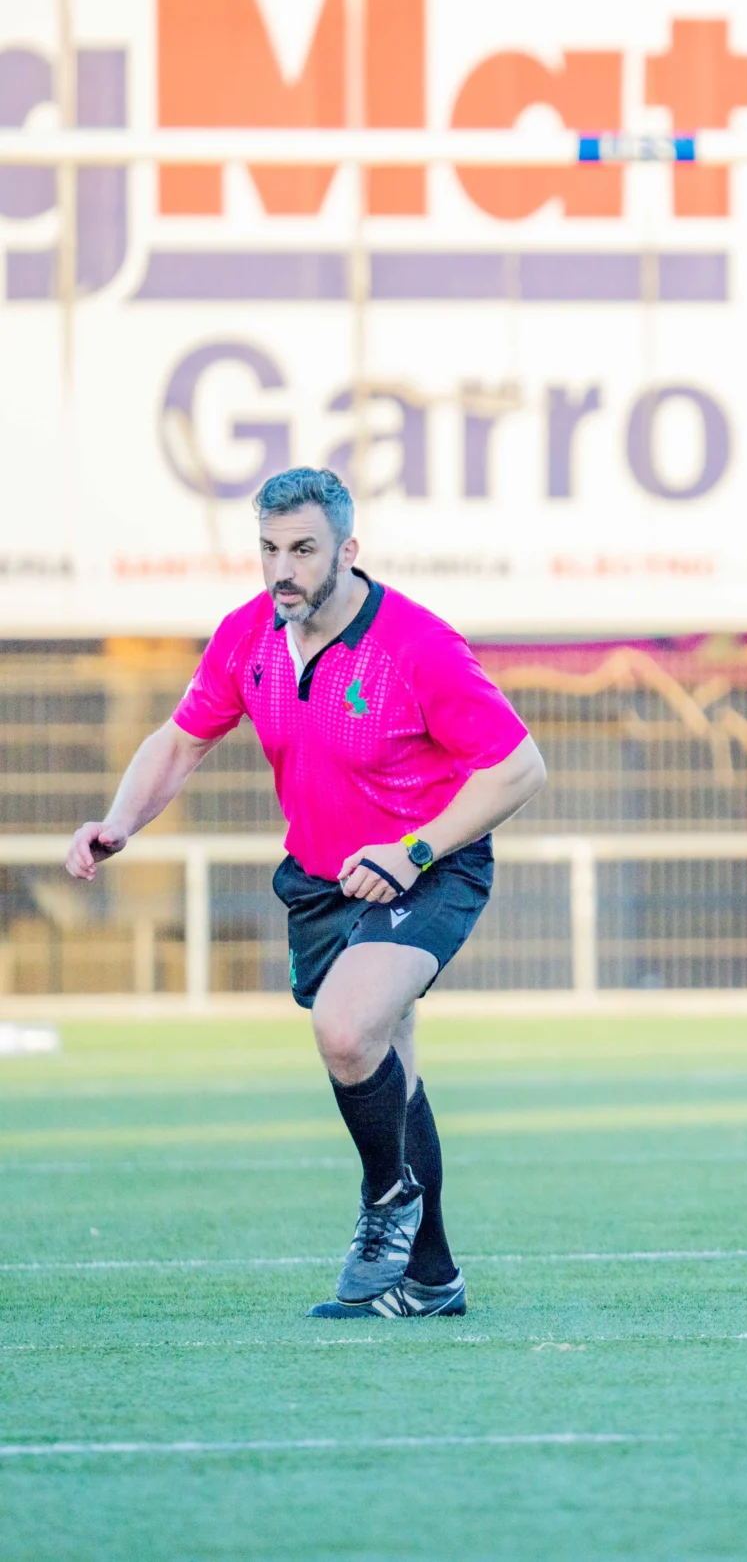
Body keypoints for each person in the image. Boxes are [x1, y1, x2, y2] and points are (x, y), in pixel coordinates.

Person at [65, 467, 546, 1319]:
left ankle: (386, 1202)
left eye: (303, 549)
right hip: (322, 882)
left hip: (428, 866)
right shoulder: (246, 637)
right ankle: (432, 1278)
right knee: (388, 1061)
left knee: (345, 1027)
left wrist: (414, 849)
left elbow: (517, 767)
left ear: (347, 550)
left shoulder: (417, 646)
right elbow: (179, 742)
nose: (281, 568)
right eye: (269, 549)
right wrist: (118, 822)